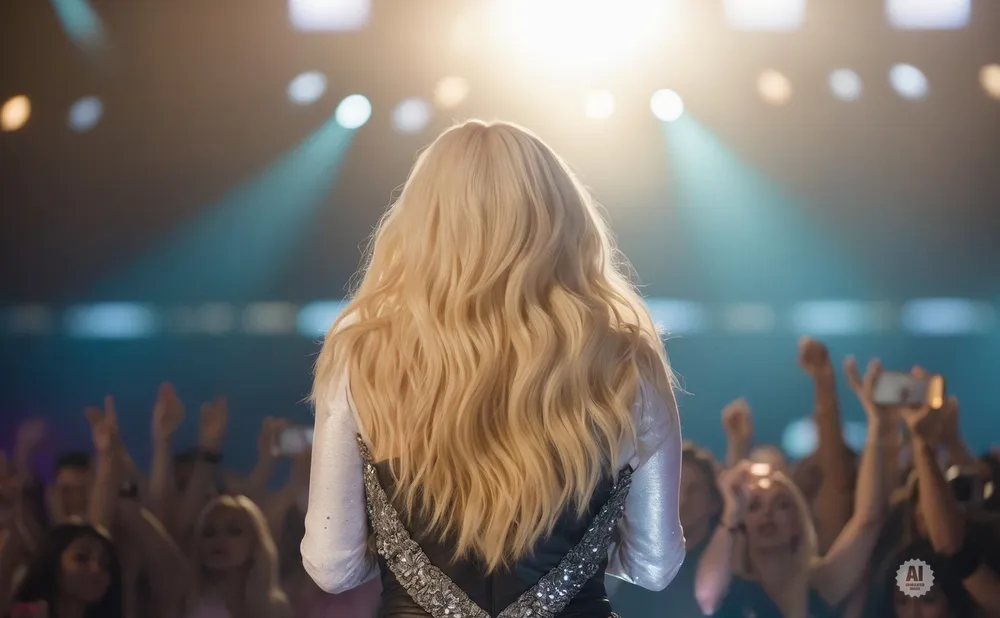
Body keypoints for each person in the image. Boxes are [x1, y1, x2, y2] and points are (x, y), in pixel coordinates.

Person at [302, 119, 685, 618]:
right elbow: (654, 566)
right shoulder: (625, 362)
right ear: (559, 220)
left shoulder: (361, 358)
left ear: (424, 222)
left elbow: (332, 565)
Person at [694, 357, 891, 618]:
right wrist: (731, 511)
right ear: (742, 525)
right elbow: (706, 597)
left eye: (782, 504)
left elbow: (868, 518)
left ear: (798, 521)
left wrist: (876, 422)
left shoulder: (822, 583)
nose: (768, 513)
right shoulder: (730, 588)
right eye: (754, 506)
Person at [610, 443, 721, 617]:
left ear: (713, 500)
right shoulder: (642, 563)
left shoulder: (722, 559)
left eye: (694, 489)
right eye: (676, 486)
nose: (682, 498)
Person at [185, 495, 291, 618]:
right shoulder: (186, 601)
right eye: (209, 533)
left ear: (254, 542)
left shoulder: (275, 608)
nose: (220, 539)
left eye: (234, 531)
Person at [6, 522, 123, 618]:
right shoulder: (26, 614)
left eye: (106, 564)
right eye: (81, 557)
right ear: (52, 560)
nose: (96, 569)